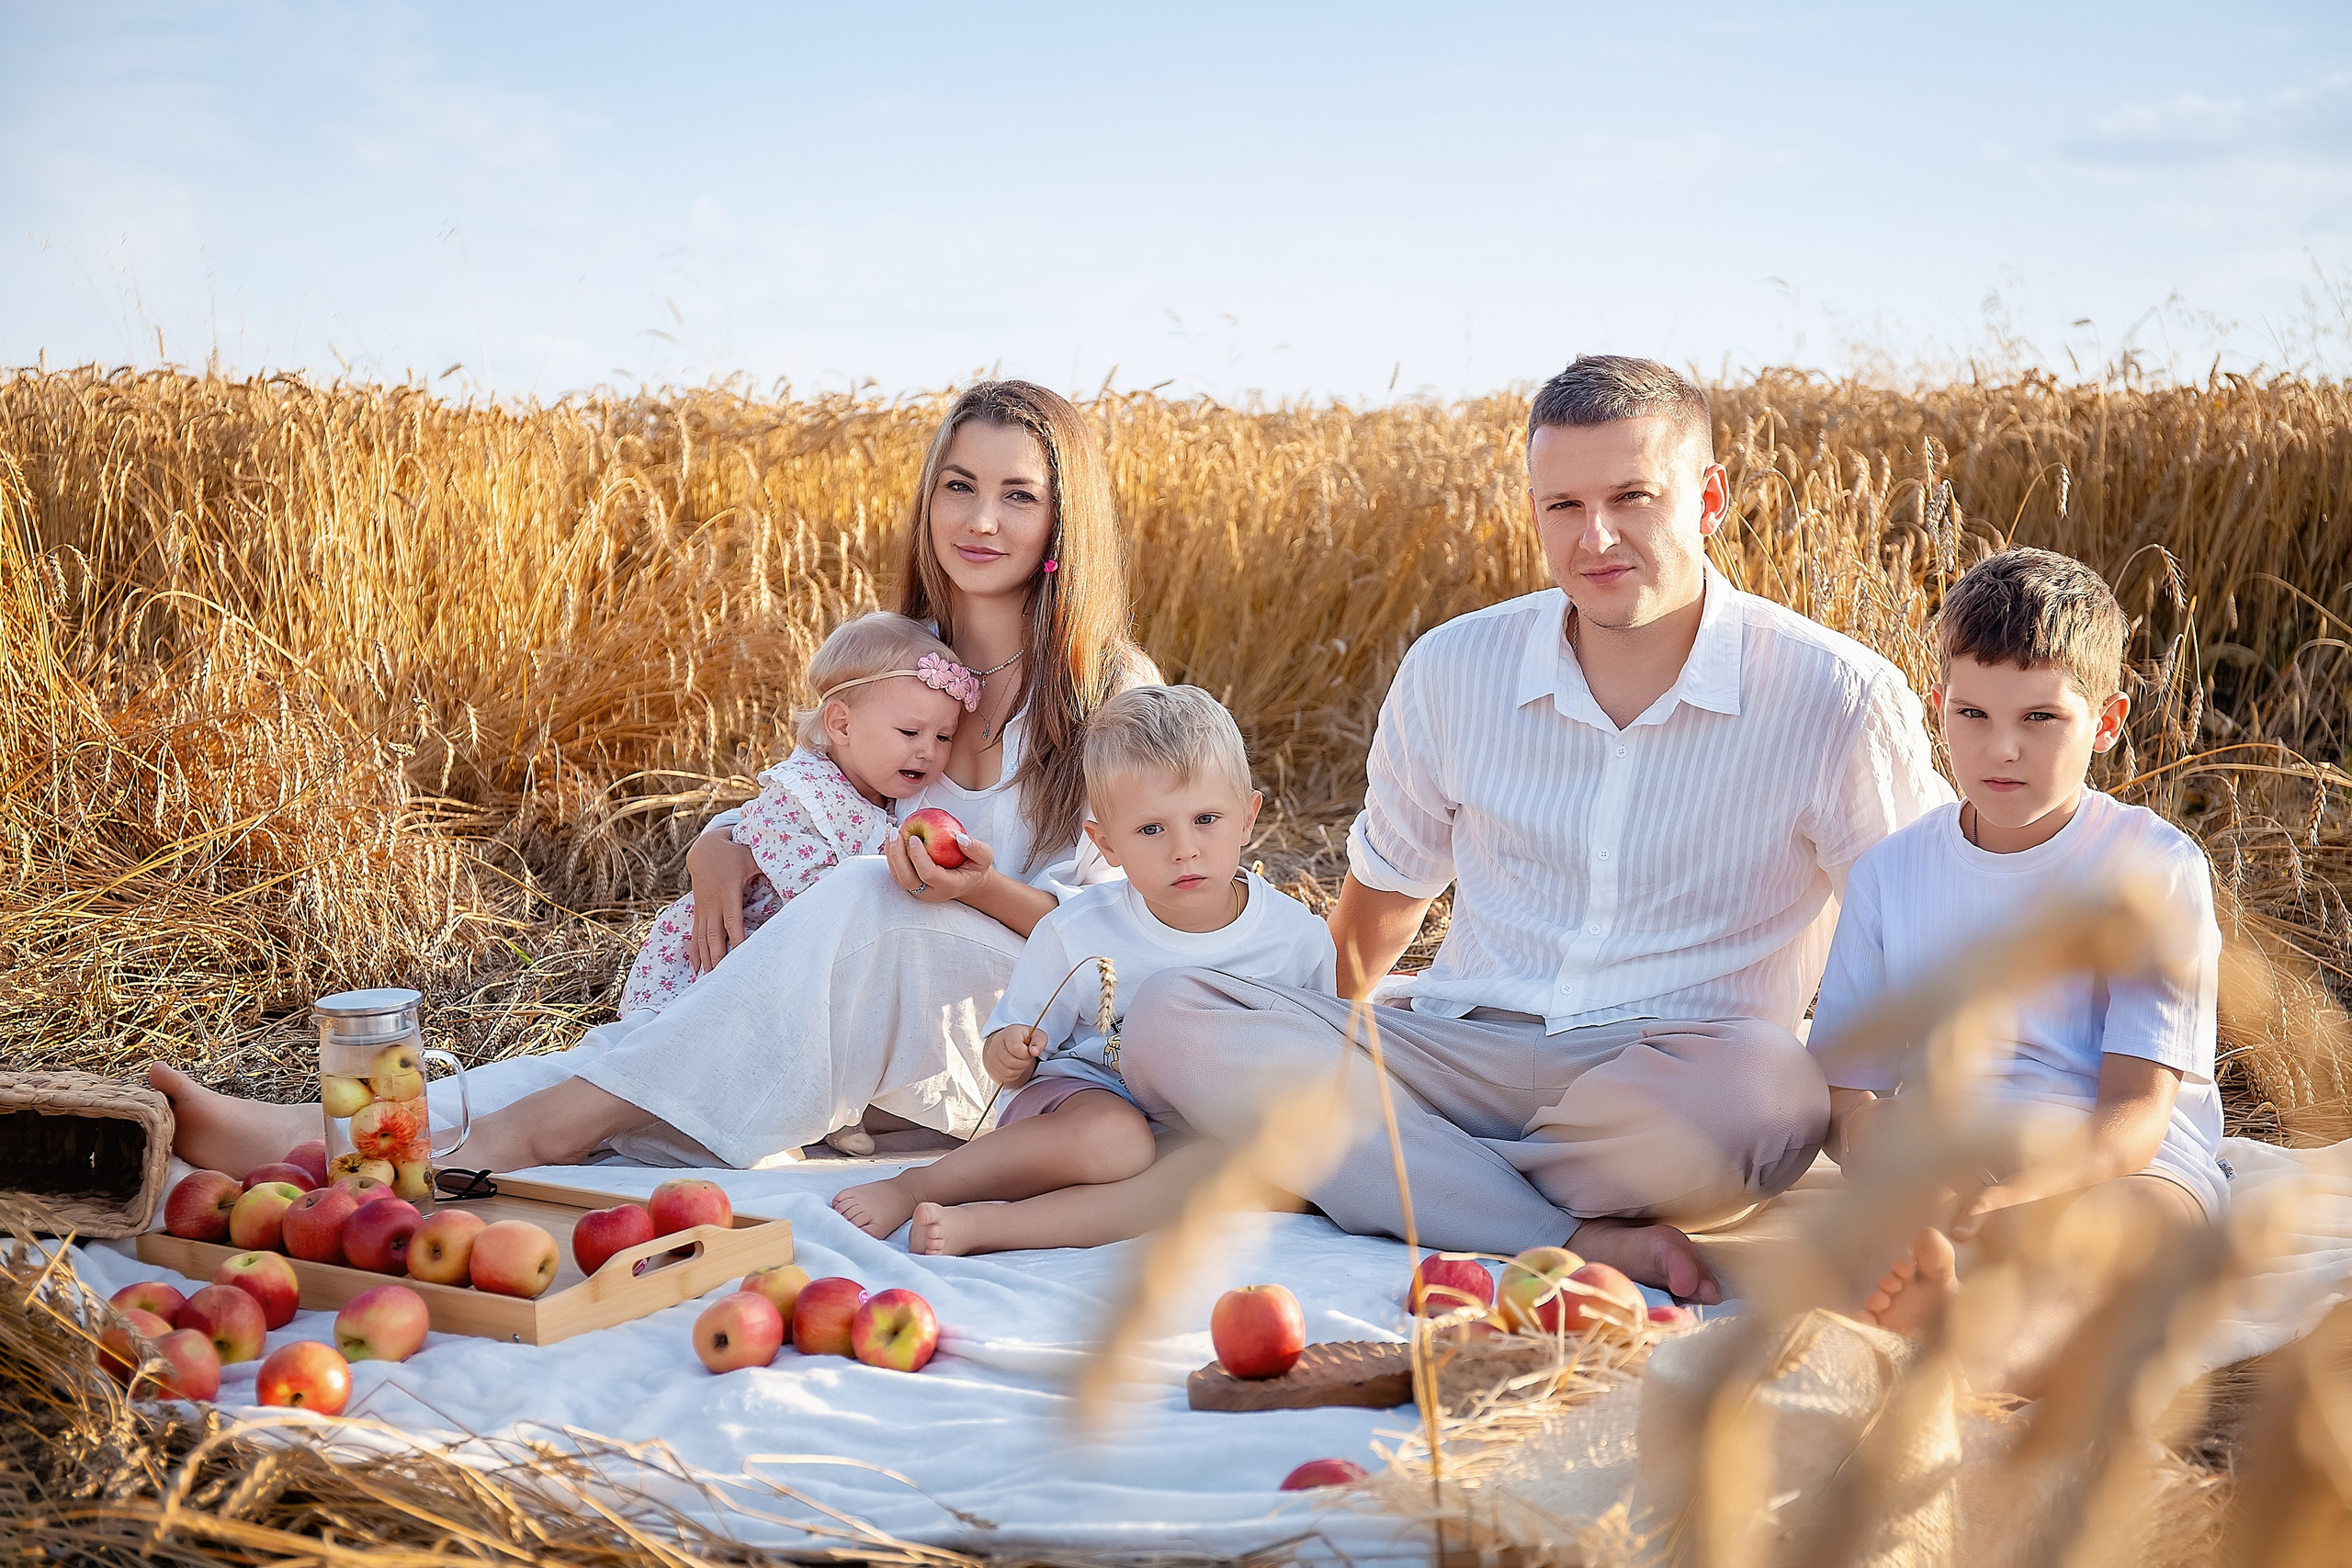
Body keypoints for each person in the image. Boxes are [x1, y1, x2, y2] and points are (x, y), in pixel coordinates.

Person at [154, 380, 1157, 1176]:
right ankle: (345, 1127)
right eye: (958, 485)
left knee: (866, 899)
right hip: (855, 1019)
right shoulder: (898, 662)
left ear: (1064, 521)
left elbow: (1111, 943)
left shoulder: (1110, 694)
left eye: (1018, 493)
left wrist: (975, 886)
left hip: (1008, 1046)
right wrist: (717, 844)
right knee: (699, 1025)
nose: (980, 518)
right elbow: (809, 795)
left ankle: (532, 1133)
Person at [1114, 355, 1953, 1303]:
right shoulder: (1452, 668)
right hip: (1457, 1047)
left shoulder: (1836, 696)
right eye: (1560, 506)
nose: (1594, 538)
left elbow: (1906, 962)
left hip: (1671, 1075)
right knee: (1169, 1017)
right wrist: (1289, 1042)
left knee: (1771, 1097)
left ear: (1709, 497)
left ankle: (1379, 1168)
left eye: (1632, 496)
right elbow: (1379, 912)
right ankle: (1556, 1231)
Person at [1809, 547, 2225, 1382]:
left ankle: (1977, 1357)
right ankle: (1931, 1302)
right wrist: (1881, 1151)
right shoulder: (1893, 872)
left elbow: (2138, 1114)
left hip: (2115, 1163)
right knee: (1860, 1231)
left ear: (2105, 722)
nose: (2001, 749)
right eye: (1973, 715)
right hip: (1951, 1153)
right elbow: (1844, 1084)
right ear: (1939, 709)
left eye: (2041, 718)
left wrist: (2017, 1200)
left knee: (2123, 1243)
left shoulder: (2150, 869)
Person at [831, 685, 1336, 1254]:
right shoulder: (1079, 931)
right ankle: (915, 1186)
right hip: (1086, 1103)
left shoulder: (1296, 939)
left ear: (1248, 818)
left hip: (1204, 1125)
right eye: (1151, 829)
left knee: (1200, 1179)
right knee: (1117, 1143)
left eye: (1206, 819)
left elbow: (1319, 1055)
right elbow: (1007, 1050)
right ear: (1106, 843)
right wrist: (1011, 1053)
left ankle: (984, 1231)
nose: (1183, 849)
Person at [617, 613, 975, 1016]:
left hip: (795, 963)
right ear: (841, 725)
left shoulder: (890, 799)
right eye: (910, 733)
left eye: (944, 736)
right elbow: (819, 895)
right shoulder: (803, 791)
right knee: (691, 1035)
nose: (929, 750)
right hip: (731, 949)